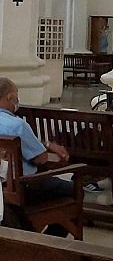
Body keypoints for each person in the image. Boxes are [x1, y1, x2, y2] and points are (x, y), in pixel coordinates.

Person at [0, 77, 73, 234]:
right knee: (73, 188)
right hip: (23, 187)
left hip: (3, 187)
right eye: (16, 96)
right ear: (10, 97)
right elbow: (41, 158)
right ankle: (53, 237)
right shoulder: (17, 124)